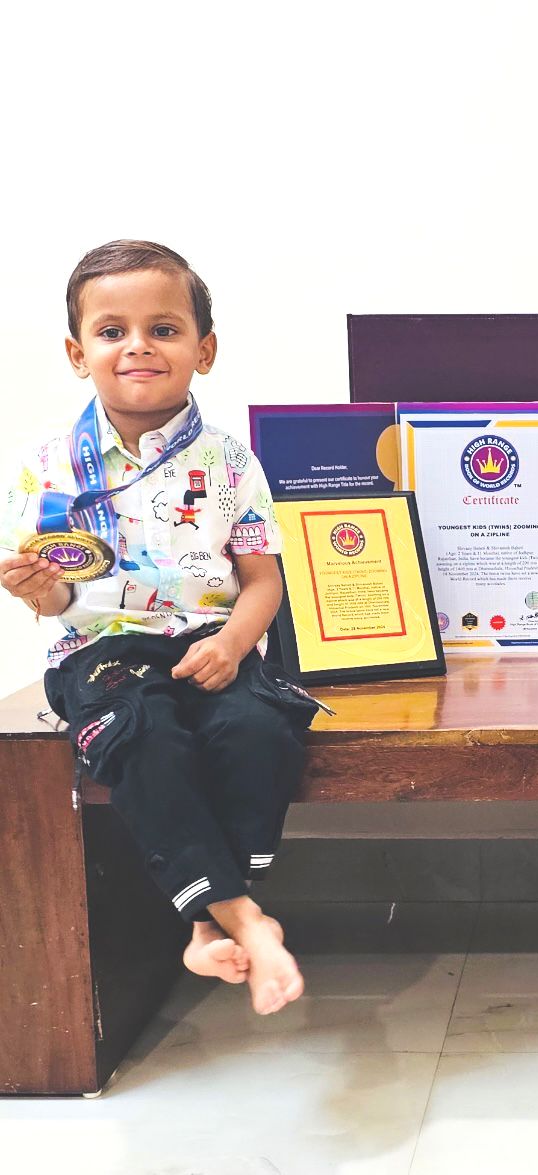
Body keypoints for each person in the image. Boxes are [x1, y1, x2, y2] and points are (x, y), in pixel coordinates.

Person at [0, 241, 321, 1014]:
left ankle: (202, 926)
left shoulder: (232, 462)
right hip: (101, 652)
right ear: (79, 354)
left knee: (257, 727)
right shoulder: (51, 466)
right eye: (112, 331)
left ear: (203, 350)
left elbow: (262, 580)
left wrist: (234, 644)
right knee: (144, 731)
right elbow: (52, 599)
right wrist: (34, 591)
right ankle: (244, 917)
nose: (137, 344)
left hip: (208, 645)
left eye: (164, 328)